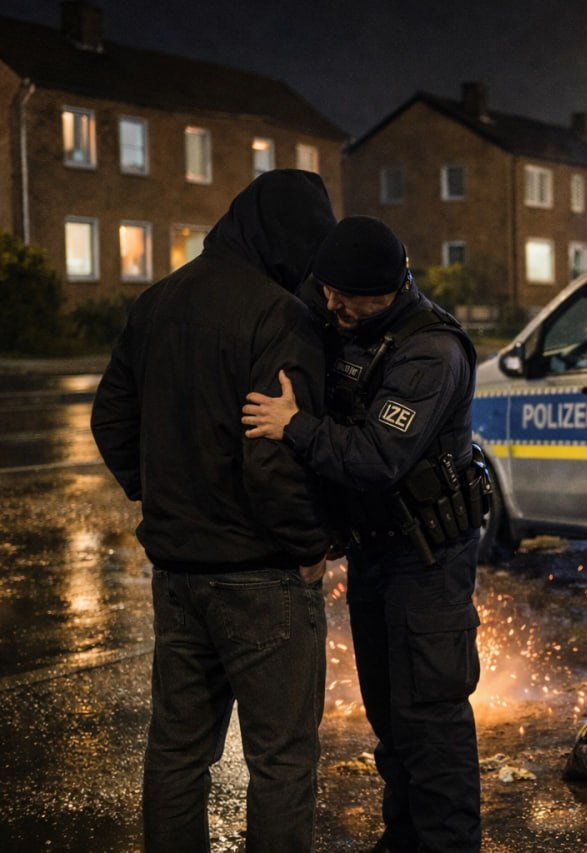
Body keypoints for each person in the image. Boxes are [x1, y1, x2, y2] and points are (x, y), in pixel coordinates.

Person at [90, 169, 336, 852]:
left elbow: (111, 418)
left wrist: (164, 492)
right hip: (261, 576)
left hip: (177, 570)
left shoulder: (159, 299)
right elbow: (274, 455)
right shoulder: (280, 314)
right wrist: (308, 544)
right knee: (282, 760)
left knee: (176, 753)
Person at [241, 215, 485, 853]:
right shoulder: (348, 321)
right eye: (328, 290)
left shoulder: (431, 352)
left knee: (431, 719)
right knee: (390, 714)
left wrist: (295, 426)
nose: (333, 304)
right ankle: (404, 837)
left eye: (347, 295)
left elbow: (378, 457)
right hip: (378, 552)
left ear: (392, 288)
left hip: (427, 561)